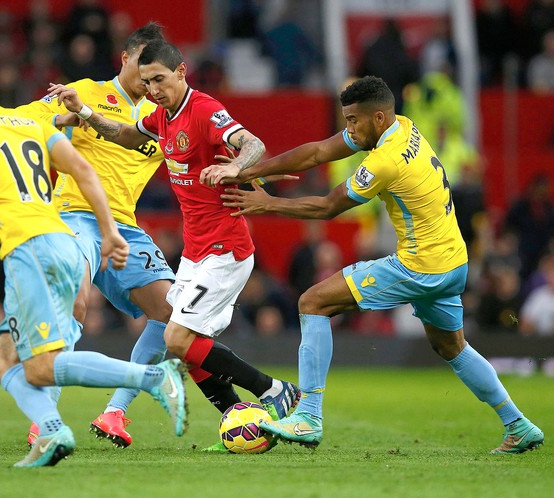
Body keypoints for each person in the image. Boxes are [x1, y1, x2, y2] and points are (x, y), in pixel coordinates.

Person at [201, 76, 544, 454]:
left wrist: (267, 205)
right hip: (452, 261)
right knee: (452, 347)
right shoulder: (403, 127)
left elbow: (329, 206)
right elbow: (317, 152)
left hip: (420, 265)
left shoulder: (385, 161)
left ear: (377, 117)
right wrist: (248, 170)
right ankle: (519, 425)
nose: (348, 129)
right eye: (346, 120)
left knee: (313, 302)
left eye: (353, 121)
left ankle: (308, 416)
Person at [0, 51, 188, 468]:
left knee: (41, 367)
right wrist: (110, 231)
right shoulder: (24, 122)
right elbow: (83, 169)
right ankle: (51, 429)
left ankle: (150, 377)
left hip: (30, 248)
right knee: (3, 360)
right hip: (61, 237)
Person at [47, 38, 300, 451]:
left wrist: (235, 166)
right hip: (197, 251)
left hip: (225, 249)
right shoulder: (163, 116)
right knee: (178, 336)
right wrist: (85, 114)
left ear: (182, 72)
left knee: (178, 339)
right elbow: (126, 135)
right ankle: (236, 417)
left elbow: (253, 143)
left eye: (160, 80)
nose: (153, 90)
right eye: (147, 83)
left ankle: (272, 389)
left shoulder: (204, 110)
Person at [9, 21, 175, 449]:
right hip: (74, 216)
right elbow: (21, 121)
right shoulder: (85, 91)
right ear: (125, 58)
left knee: (172, 315)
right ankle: (44, 418)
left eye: (157, 70)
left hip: (125, 227)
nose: (148, 76)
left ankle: (114, 413)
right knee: (76, 303)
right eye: (142, 64)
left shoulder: (162, 115)